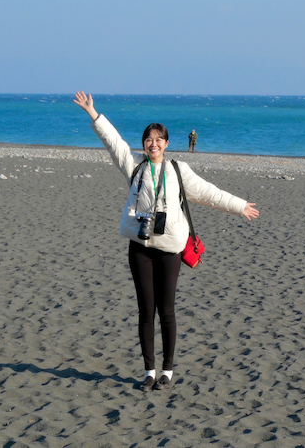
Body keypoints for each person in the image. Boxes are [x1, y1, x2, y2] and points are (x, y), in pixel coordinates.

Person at [73, 91, 259, 392]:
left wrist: (239, 206)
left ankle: (168, 372)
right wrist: (94, 114)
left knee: (167, 310)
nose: (153, 143)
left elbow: (209, 193)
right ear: (144, 143)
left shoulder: (177, 170)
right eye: (149, 139)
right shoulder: (135, 166)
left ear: (167, 143)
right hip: (141, 248)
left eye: (159, 139)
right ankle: (149, 371)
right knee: (145, 311)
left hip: (171, 249)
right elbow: (113, 142)